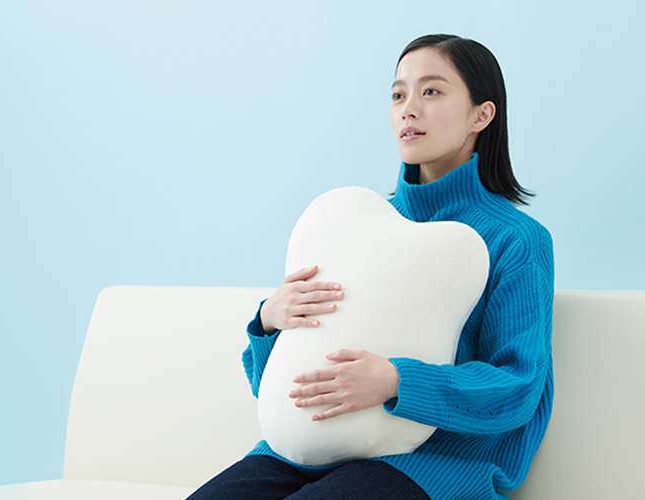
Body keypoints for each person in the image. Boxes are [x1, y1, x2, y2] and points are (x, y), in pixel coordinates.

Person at [186, 33, 554, 500]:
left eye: (431, 91)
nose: (408, 109)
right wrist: (268, 323)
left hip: (433, 465)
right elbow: (272, 387)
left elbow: (518, 387)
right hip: (306, 453)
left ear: (481, 115)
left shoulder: (516, 240)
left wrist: (396, 381)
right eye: (398, 95)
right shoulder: (354, 222)